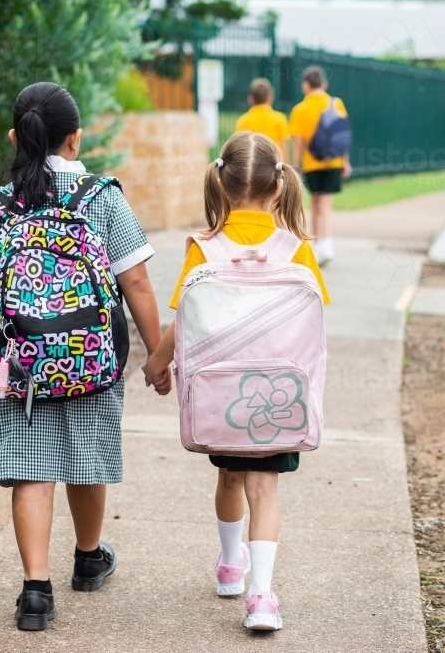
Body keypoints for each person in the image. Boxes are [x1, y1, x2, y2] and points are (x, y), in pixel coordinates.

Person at [0, 82, 172, 631]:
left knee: (31, 468)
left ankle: (35, 592)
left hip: (18, 364)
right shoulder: (102, 198)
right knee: (86, 454)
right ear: (75, 138)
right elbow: (138, 282)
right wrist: (157, 355)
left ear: (16, 137)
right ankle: (88, 557)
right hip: (91, 359)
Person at [142, 131, 330, 631]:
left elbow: (184, 321)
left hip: (222, 397)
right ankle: (263, 596)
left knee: (228, 477)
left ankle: (230, 566)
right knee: (264, 488)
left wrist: (156, 365)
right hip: (277, 398)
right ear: (279, 187)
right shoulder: (297, 249)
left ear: (221, 184)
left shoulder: (203, 247)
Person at [289, 65, 352, 265]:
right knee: (325, 205)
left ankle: (319, 246)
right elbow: (343, 135)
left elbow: (298, 143)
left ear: (306, 85)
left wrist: (295, 167)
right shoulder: (336, 103)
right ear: (323, 83)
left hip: (312, 164)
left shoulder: (300, 109)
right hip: (333, 160)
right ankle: (326, 245)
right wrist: (345, 162)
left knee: (316, 204)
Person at [234, 78, 290, 163]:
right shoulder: (280, 118)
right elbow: (283, 147)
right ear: (270, 98)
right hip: (274, 164)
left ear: (250, 99)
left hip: (252, 164)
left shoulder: (243, 121)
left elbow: (240, 148)